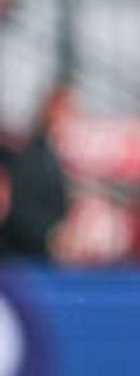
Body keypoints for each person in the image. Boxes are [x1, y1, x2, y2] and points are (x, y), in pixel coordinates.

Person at [0, 82, 70, 260]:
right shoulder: (29, 157)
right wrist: (50, 236)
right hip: (23, 259)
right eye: (63, 111)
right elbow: (19, 211)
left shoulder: (51, 155)